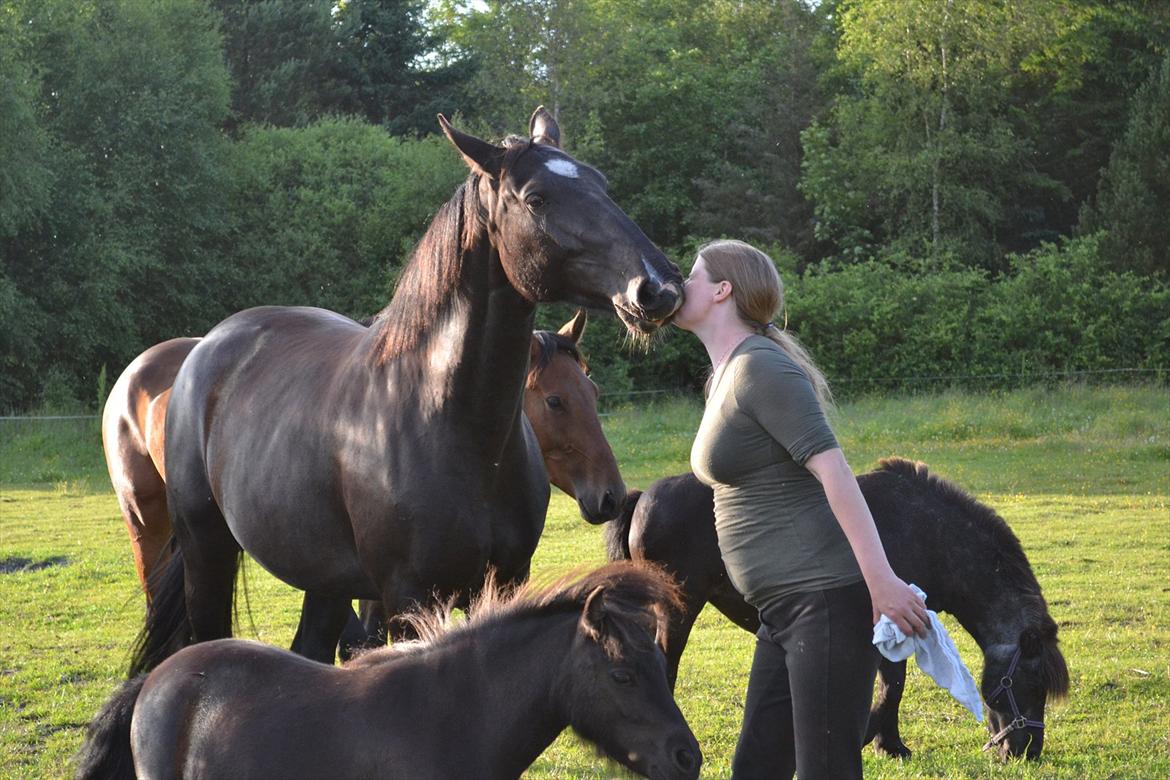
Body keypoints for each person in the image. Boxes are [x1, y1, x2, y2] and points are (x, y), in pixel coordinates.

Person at [673, 239, 928, 779]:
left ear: (722, 291)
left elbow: (836, 473)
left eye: (693, 275)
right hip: (784, 611)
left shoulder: (760, 368)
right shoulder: (727, 372)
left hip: (825, 602)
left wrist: (882, 582)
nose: (681, 284)